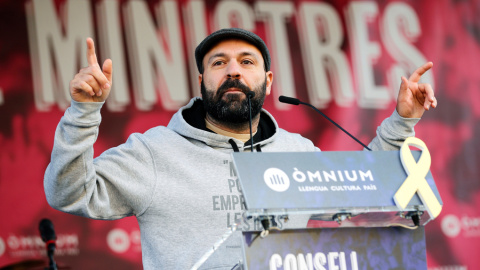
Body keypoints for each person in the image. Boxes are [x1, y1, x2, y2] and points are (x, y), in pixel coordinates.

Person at [44, 28, 436, 269]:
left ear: (266, 79)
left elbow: (364, 185)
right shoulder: (153, 152)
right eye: (219, 63)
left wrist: (402, 121)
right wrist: (84, 111)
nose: (233, 70)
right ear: (202, 79)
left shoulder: (296, 151)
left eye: (246, 61)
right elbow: (69, 192)